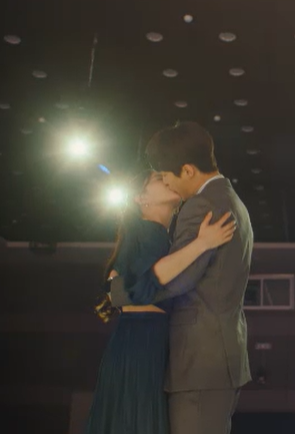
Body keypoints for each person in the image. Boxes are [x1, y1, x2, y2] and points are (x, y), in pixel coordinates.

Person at [109, 121, 254, 434]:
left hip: (199, 361)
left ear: (187, 170)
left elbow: (179, 280)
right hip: (215, 356)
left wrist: (122, 291)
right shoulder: (229, 199)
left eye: (166, 175)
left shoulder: (202, 205)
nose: (167, 183)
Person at [85, 170, 236, 434]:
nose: (167, 180)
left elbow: (130, 288)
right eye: (157, 179)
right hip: (142, 338)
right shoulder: (147, 230)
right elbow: (145, 285)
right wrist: (202, 244)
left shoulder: (154, 235)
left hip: (143, 336)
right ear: (140, 198)